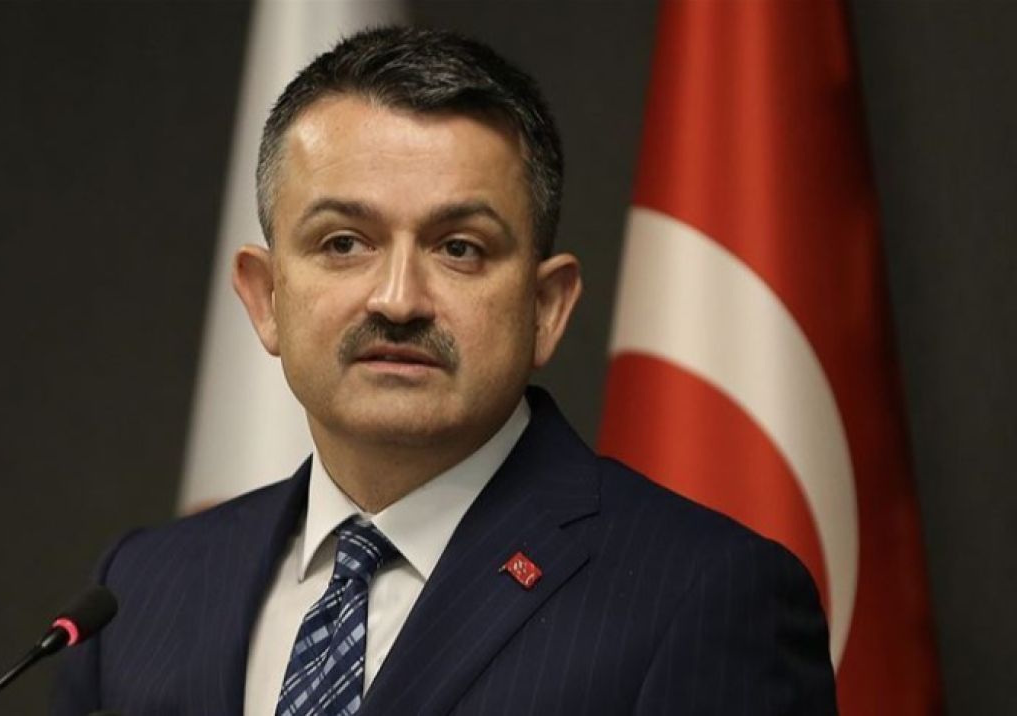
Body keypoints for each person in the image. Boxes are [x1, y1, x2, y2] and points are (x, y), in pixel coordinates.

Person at [53, 26, 837, 716]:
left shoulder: (704, 596)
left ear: (547, 307)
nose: (398, 300)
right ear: (264, 298)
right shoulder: (138, 592)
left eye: (459, 248)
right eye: (343, 243)